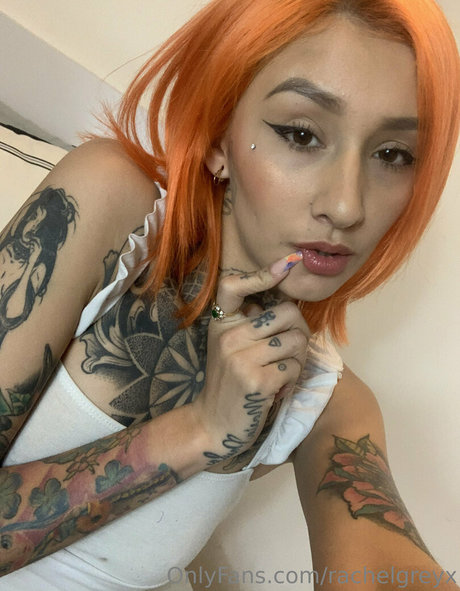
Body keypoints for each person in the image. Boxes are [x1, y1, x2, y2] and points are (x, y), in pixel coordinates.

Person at [0, 0, 458, 589]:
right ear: (219, 137)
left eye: (393, 155)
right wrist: (201, 429)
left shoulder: (324, 398)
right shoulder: (110, 207)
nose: (347, 206)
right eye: (301, 134)